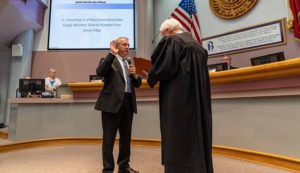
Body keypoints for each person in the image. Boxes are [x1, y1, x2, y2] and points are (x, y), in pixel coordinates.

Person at [147, 18, 214, 173]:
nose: (164, 38)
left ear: (169, 31)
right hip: (198, 98)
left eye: (164, 35)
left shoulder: (174, 41)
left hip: (178, 97)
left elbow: (163, 68)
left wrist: (151, 76)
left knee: (177, 132)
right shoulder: (197, 45)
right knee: (196, 131)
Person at [95, 37, 142, 173]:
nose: (127, 47)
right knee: (109, 138)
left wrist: (135, 75)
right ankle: (108, 169)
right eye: (124, 44)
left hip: (127, 104)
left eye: (128, 44)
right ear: (116, 46)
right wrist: (111, 53)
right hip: (111, 105)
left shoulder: (128, 62)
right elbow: (100, 72)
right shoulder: (108, 60)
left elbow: (137, 84)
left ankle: (124, 166)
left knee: (126, 138)